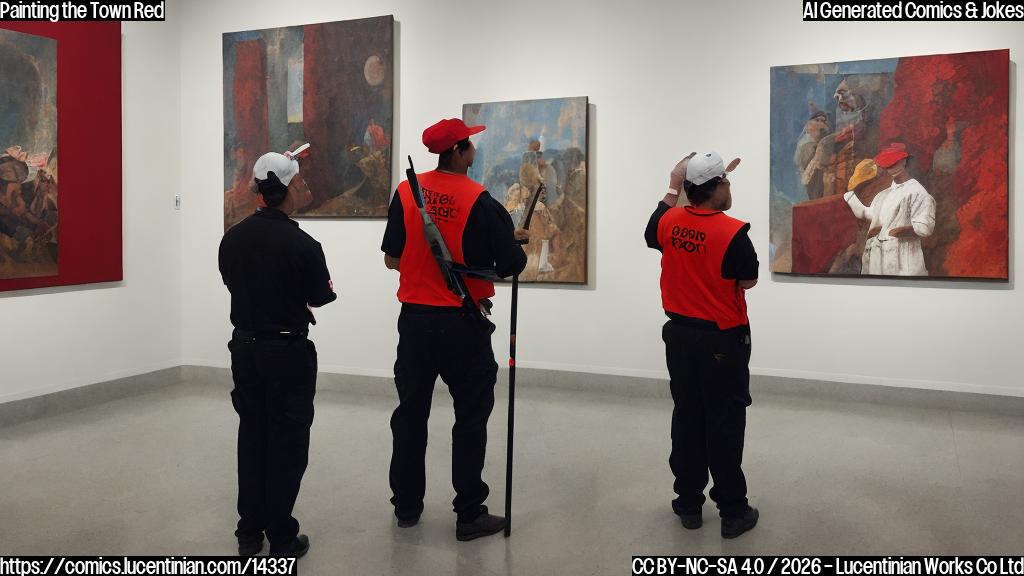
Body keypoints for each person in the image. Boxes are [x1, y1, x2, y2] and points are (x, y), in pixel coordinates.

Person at [381, 118, 527, 541]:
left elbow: (392, 258)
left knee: (410, 415)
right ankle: (469, 513)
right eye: (471, 144)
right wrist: (509, 241)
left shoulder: (407, 190)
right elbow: (509, 266)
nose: (474, 151)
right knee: (470, 418)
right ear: (460, 151)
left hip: (414, 322)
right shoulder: (480, 199)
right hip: (462, 322)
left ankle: (406, 507)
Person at [218, 146, 337, 558]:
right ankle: (282, 536)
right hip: (286, 352)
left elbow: (233, 282)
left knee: (252, 435)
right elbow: (320, 297)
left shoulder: (232, 237)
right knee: (287, 444)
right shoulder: (303, 244)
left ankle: (249, 533)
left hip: (245, 349)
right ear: (284, 190)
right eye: (299, 182)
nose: (304, 187)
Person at [644, 151, 760, 539]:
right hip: (722, 340)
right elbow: (748, 282)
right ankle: (732, 510)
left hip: (678, 336)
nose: (730, 187)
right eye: (726, 181)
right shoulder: (733, 231)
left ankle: (689, 504)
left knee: (688, 416)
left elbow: (651, 233)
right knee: (724, 421)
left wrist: (673, 184)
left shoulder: (669, 221)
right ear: (716, 188)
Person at [844, 143, 935, 276]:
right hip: (878, 257)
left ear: (904, 162)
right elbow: (869, 214)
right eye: (888, 164)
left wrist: (894, 232)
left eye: (894, 163)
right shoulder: (883, 194)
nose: (890, 167)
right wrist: (850, 197)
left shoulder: (917, 192)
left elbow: (925, 228)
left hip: (902, 259)